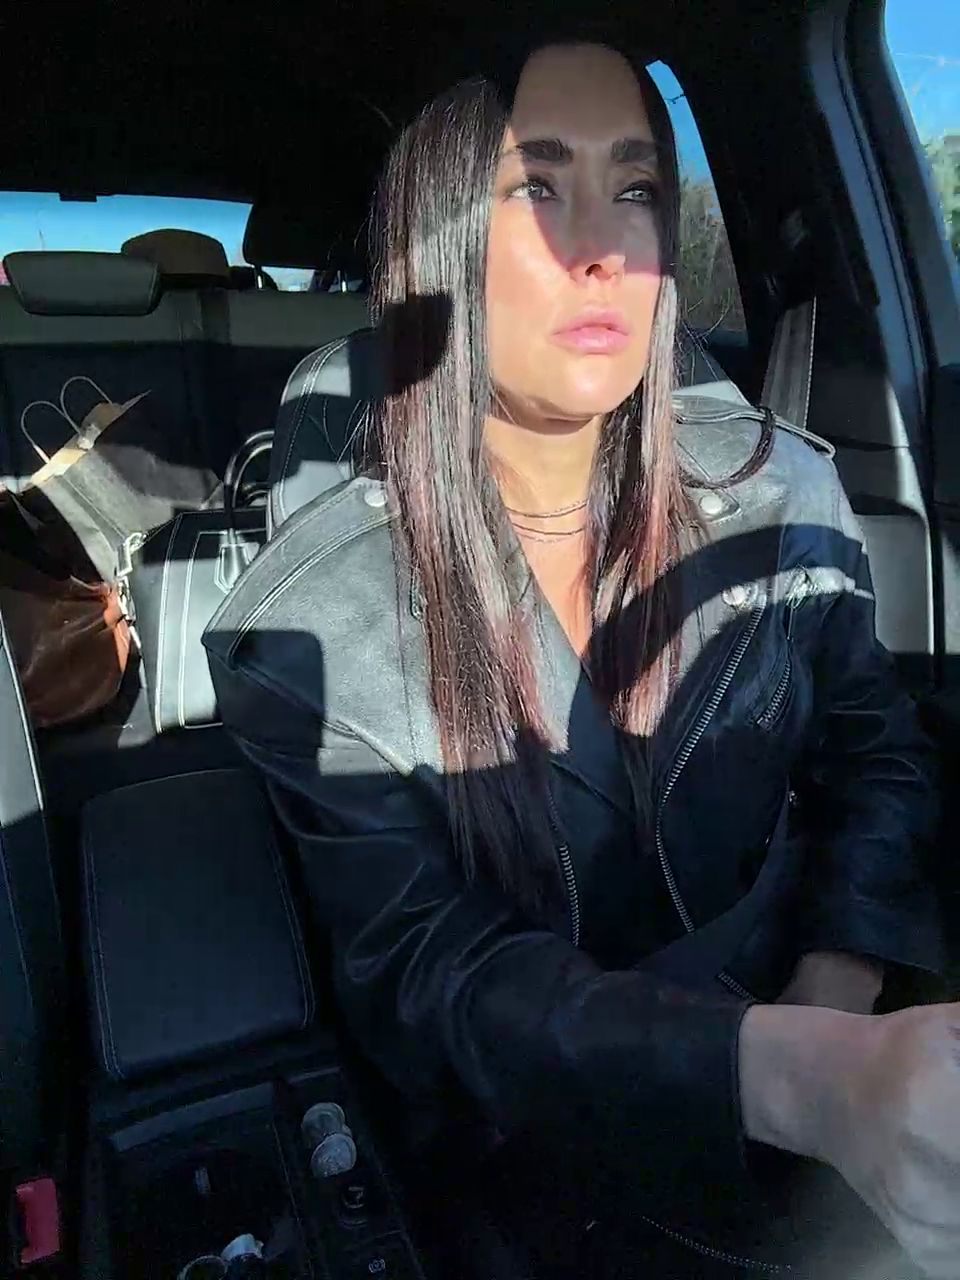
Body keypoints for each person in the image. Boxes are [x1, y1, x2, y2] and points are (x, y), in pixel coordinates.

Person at [204, 40, 958, 1278]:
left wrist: (837, 990)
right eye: (540, 187)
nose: (604, 245)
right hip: (540, 1162)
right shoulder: (313, 632)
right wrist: (790, 1074)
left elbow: (876, 755)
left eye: (638, 188)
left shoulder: (785, 495)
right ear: (442, 248)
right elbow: (441, 978)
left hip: (832, 1074)